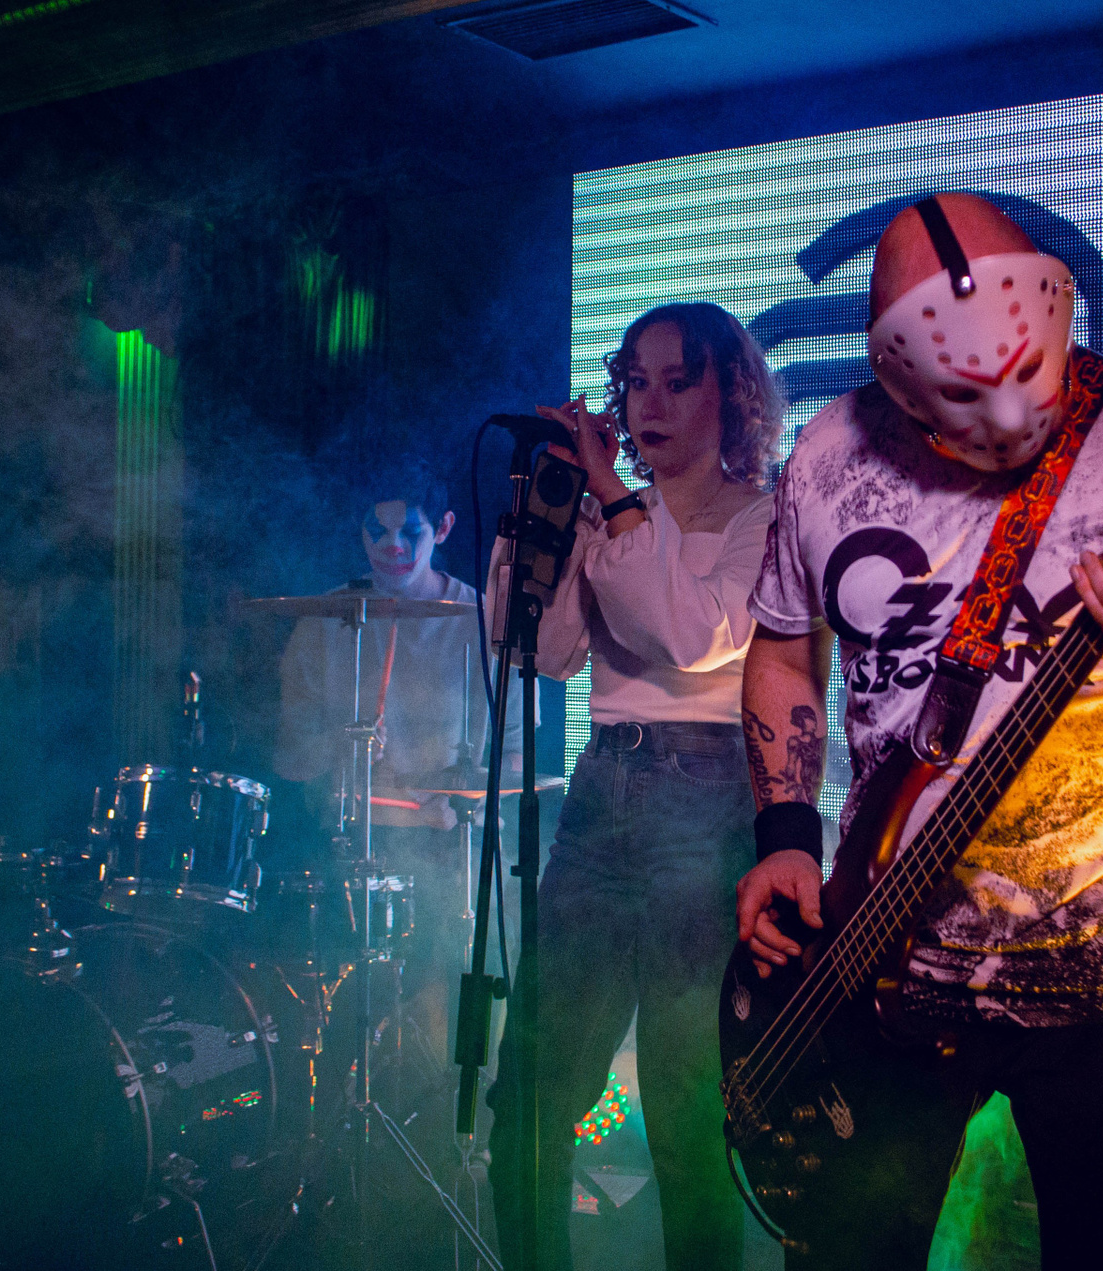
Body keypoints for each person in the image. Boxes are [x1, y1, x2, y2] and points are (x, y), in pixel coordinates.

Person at [732, 193, 1103, 1269]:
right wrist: (784, 826)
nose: (1008, 423)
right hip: (881, 962)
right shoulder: (829, 454)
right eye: (962, 406)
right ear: (896, 382)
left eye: (1031, 380)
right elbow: (785, 643)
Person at [486, 302, 784, 1271]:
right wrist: (546, 512)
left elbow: (695, 637)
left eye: (676, 382)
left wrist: (615, 496)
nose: (648, 404)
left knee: (685, 1111)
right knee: (530, 1094)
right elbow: (542, 650)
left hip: (707, 800)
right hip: (602, 792)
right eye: (635, 383)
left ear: (729, 392)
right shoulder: (608, 512)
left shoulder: (763, 514)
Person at [275, 460, 523, 1067]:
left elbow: (518, 757)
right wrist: (338, 744)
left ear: (444, 528)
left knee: (452, 1037)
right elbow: (288, 759)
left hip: (451, 849)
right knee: (337, 1035)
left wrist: (463, 799)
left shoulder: (483, 619)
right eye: (376, 531)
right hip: (347, 847)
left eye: (409, 532)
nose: (392, 546)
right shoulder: (323, 620)